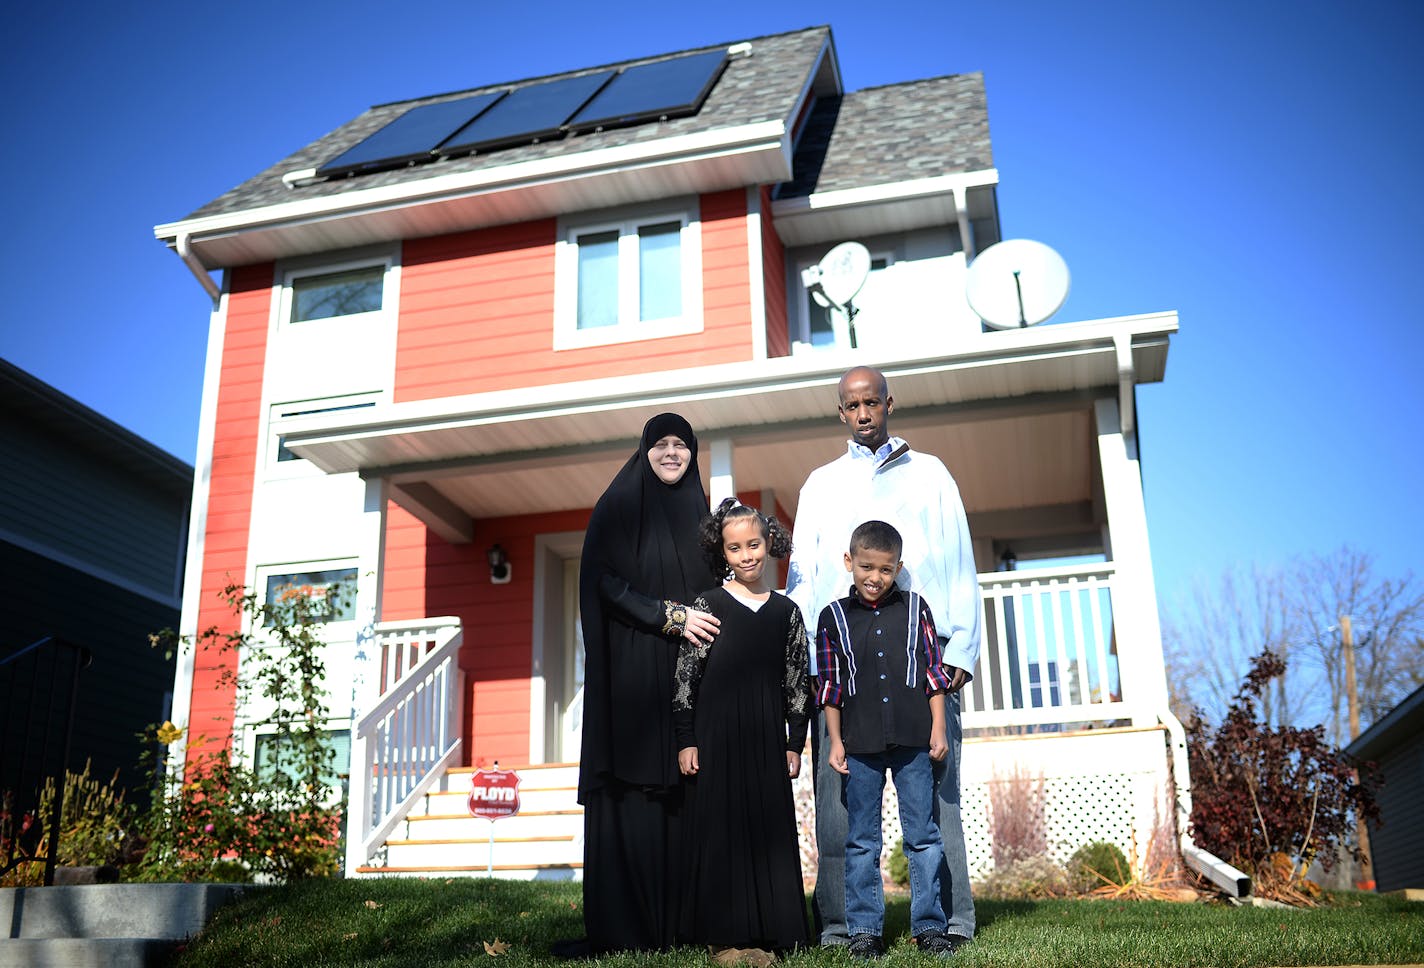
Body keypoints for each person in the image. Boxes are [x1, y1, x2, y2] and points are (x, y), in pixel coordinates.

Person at [785, 365, 981, 953]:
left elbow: (960, 558)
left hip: (922, 667)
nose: (864, 412)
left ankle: (949, 920)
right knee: (842, 810)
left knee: (936, 805)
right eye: (853, 405)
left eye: (873, 402)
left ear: (889, 403)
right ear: (840, 412)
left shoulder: (930, 475)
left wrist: (962, 649)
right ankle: (845, 926)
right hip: (842, 675)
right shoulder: (821, 484)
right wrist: (803, 663)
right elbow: (802, 575)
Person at [572, 412, 721, 954]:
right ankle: (631, 927)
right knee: (638, 791)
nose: (672, 453)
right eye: (662, 444)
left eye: (682, 445)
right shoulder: (617, 506)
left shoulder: (700, 514)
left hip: (686, 678)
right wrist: (667, 615)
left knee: (688, 785)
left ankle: (684, 924)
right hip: (635, 672)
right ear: (645, 450)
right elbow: (603, 581)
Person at [673, 498, 812, 961]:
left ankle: (775, 932)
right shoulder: (708, 605)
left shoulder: (786, 613)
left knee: (768, 829)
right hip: (715, 738)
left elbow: (796, 682)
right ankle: (726, 938)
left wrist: (795, 743)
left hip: (767, 740)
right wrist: (685, 737)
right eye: (736, 549)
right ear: (723, 554)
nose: (747, 555)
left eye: (754, 544)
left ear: (769, 543)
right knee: (723, 832)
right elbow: (685, 677)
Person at [816, 520, 954, 958]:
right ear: (849, 562)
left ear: (898, 568)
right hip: (860, 744)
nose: (875, 577)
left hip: (914, 738)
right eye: (866, 567)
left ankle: (930, 926)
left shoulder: (917, 609)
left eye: (886, 569)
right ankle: (864, 931)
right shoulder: (832, 617)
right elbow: (831, 687)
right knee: (861, 839)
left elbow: (934, 673)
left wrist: (939, 727)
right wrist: (835, 741)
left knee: (924, 835)